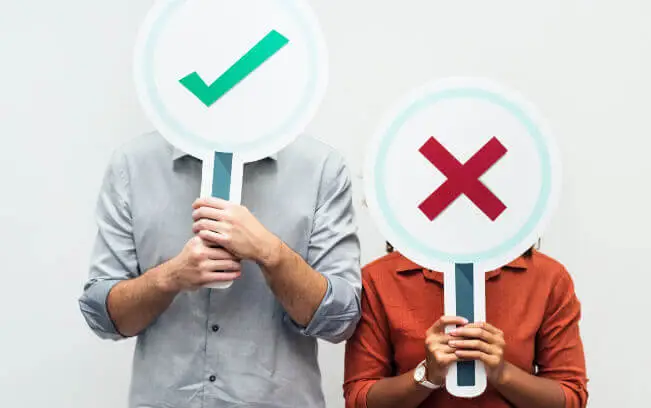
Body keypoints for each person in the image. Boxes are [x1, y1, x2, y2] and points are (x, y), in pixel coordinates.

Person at [78, 132, 362, 408]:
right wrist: (170, 277)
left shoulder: (320, 167)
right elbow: (103, 317)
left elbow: (339, 321)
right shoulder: (133, 165)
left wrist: (271, 254)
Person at [344, 245, 588, 408]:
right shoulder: (378, 278)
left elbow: (571, 396)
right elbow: (358, 397)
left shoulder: (547, 277)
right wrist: (426, 377)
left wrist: (503, 375)